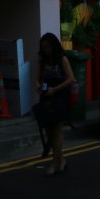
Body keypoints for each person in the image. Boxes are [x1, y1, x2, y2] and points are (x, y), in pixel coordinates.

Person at [34, 32, 73, 176]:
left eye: (48, 47)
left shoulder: (62, 60)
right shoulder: (42, 61)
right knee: (48, 130)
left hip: (59, 96)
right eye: (43, 48)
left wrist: (55, 89)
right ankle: (60, 160)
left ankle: (55, 162)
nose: (45, 51)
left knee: (56, 129)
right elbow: (37, 79)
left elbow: (71, 79)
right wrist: (38, 86)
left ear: (53, 47)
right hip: (45, 97)